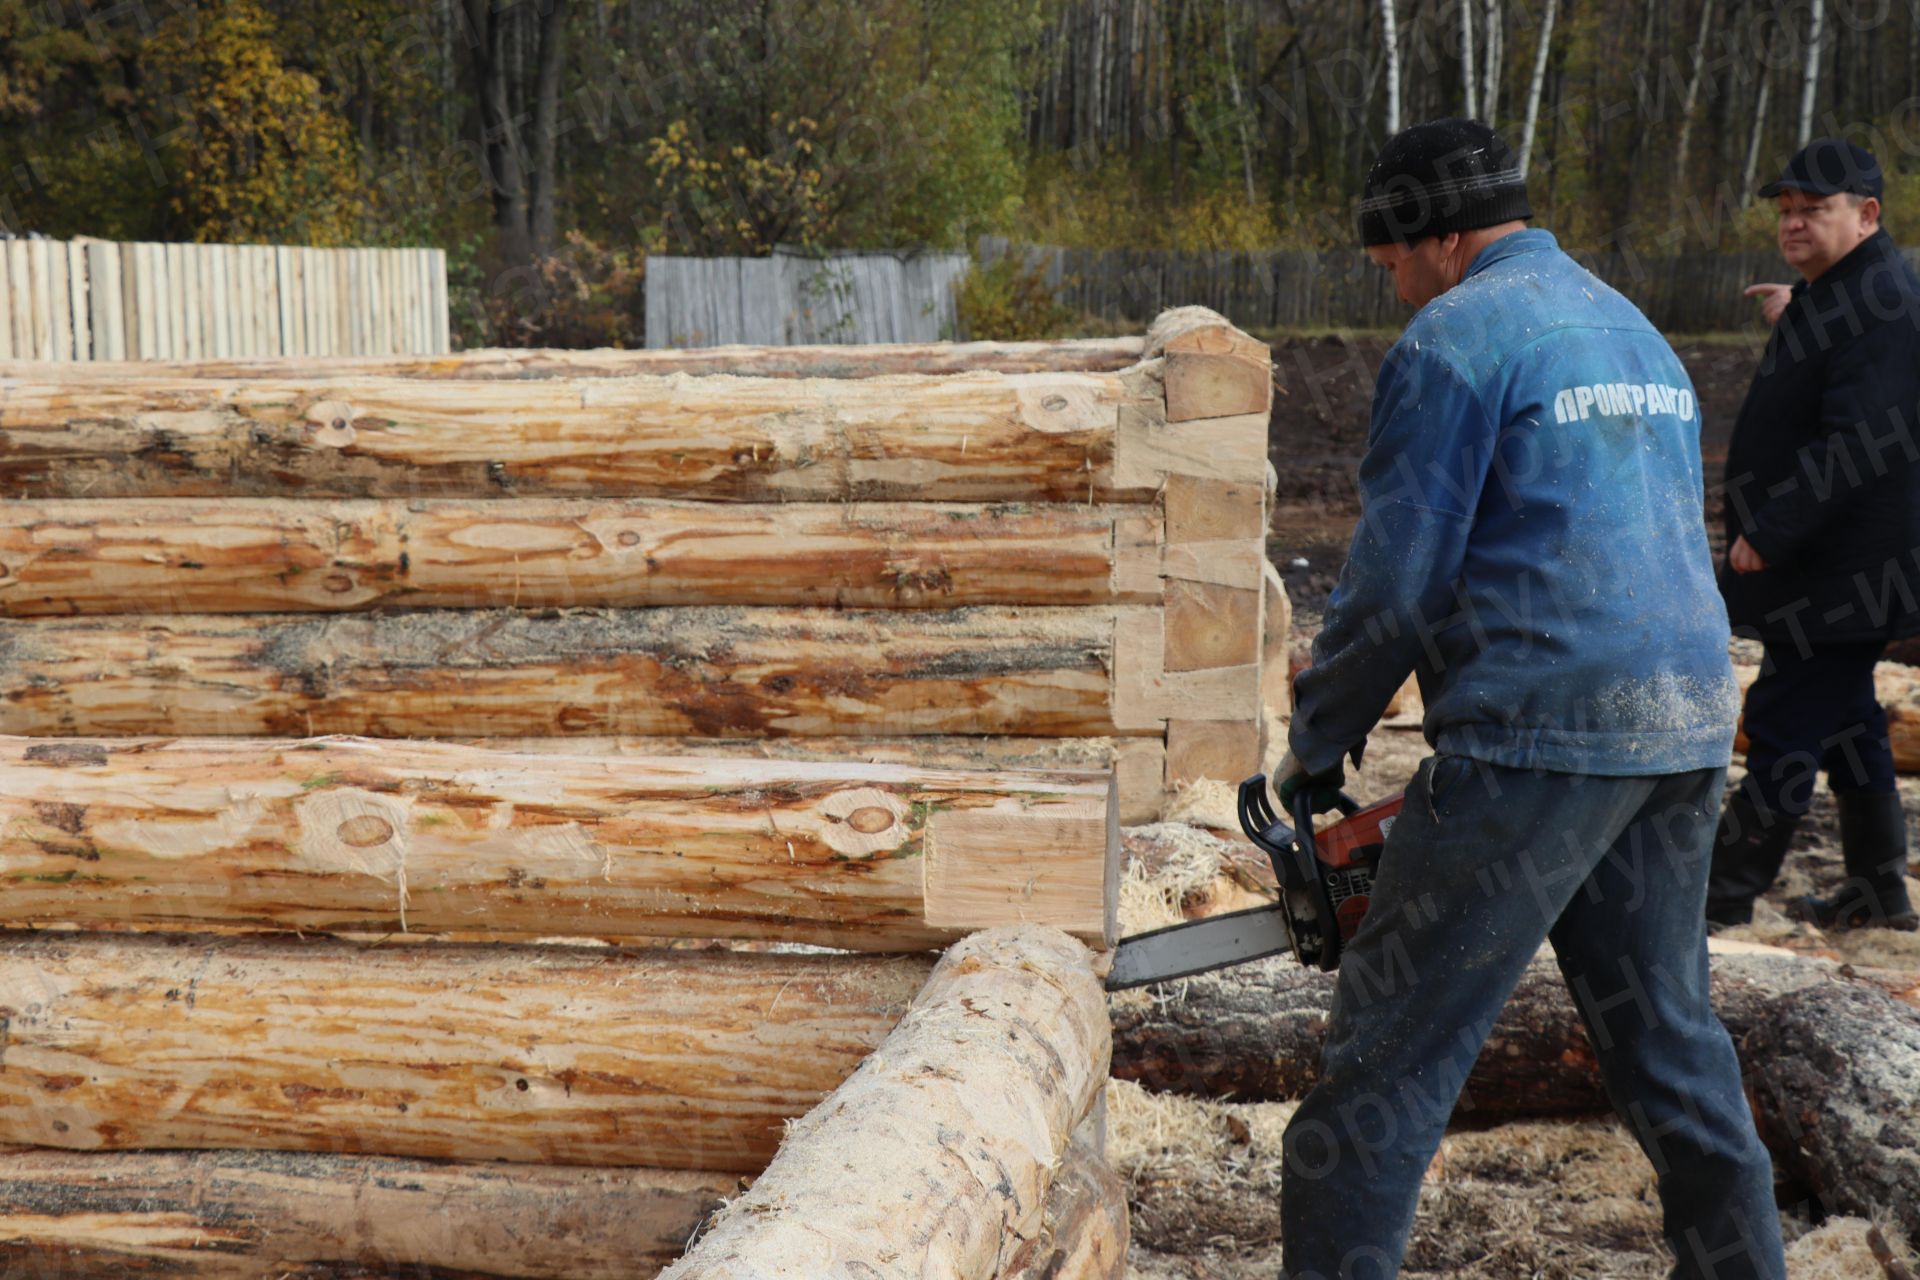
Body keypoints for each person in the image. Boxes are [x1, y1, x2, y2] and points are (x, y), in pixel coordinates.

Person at [1275, 118, 1785, 1280]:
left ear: (1439, 237)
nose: (1394, 288)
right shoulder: (1634, 330)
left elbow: (1398, 581)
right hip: (1688, 720)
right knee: (1668, 1043)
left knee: (1384, 1067)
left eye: (1390, 263)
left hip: (1540, 733)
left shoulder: (1454, 340)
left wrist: (1318, 739)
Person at [1706, 137, 1920, 933]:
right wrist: (1802, 313)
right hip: (1832, 570)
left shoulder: (1878, 303)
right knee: (1849, 722)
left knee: (1786, 721)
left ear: (1866, 215)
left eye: (1813, 211)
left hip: (1841, 570)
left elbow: (1858, 441)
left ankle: (1723, 893)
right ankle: (1878, 891)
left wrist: (1771, 529)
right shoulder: (1842, 292)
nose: (1792, 224)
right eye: (1786, 211)